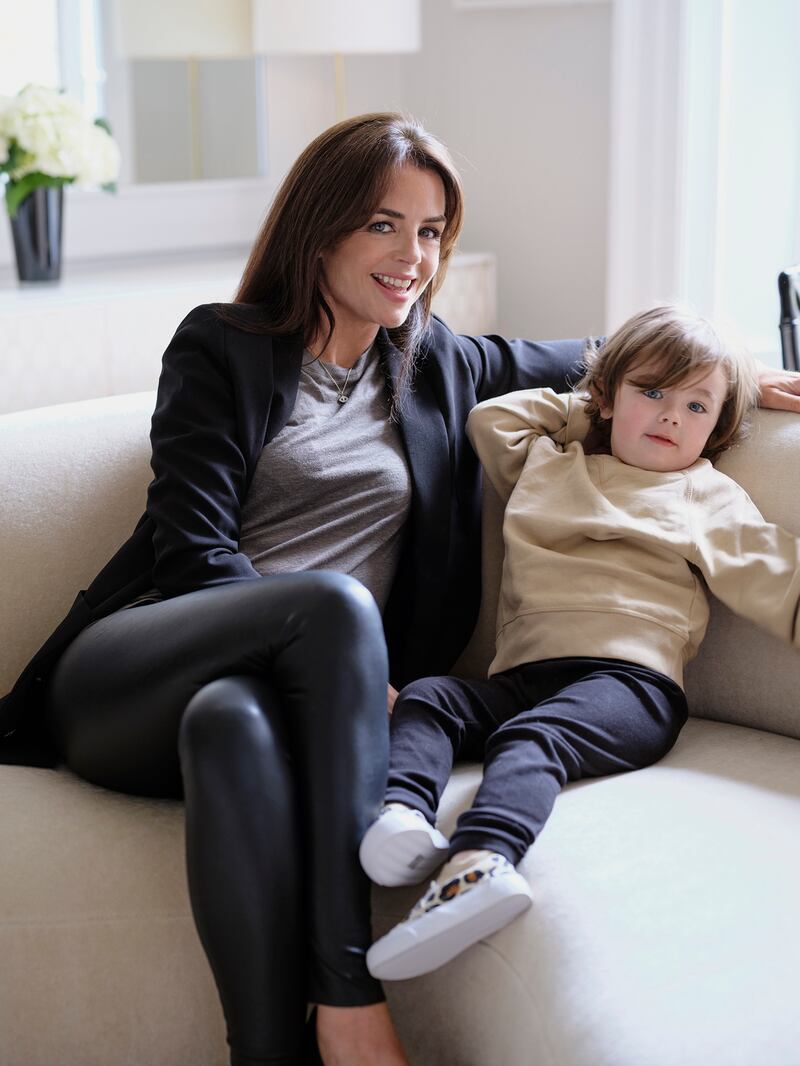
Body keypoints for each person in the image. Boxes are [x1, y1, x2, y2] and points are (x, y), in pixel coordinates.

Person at [0, 112, 595, 1066]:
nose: (414, 256)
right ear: (318, 227)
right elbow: (194, 556)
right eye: (382, 225)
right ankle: (351, 1001)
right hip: (137, 670)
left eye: (433, 230)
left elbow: (601, 356)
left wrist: (735, 368)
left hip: (249, 708)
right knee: (332, 607)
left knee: (231, 727)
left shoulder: (436, 363)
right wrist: (344, 670)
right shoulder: (221, 347)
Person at [361, 303, 800, 983]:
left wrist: (643, 400)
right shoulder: (548, 463)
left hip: (630, 686)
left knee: (532, 740)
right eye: (650, 392)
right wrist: (585, 414)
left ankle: (480, 867)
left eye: (696, 407)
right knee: (429, 698)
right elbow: (491, 419)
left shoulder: (700, 494)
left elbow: (780, 582)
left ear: (717, 429)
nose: (670, 417)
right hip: (525, 673)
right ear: (606, 396)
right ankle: (401, 814)